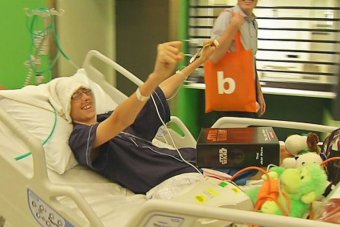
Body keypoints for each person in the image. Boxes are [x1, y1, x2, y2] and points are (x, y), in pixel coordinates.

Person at [67, 40, 217, 194]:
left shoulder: (106, 117)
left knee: (236, 144)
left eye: (86, 92)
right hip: (173, 179)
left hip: (188, 159)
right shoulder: (80, 137)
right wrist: (155, 76)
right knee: (235, 166)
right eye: (75, 96)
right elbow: (120, 121)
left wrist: (200, 61)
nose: (85, 98)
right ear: (65, 106)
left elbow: (160, 92)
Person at [204, 0, 266, 127]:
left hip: (247, 97)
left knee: (249, 141)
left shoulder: (253, 22)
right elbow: (213, 56)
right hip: (229, 96)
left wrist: (258, 93)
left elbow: (250, 60)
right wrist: (233, 26)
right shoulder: (227, 16)